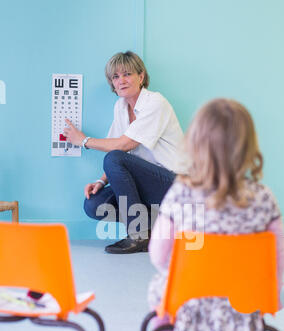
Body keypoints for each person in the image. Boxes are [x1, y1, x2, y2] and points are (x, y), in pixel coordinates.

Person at [147, 98, 284, 331]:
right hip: (244, 305)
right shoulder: (263, 198)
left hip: (188, 301)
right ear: (248, 146)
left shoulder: (182, 193)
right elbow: (277, 259)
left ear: (195, 144)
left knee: (160, 308)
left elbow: (158, 255)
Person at [63, 51, 189, 253]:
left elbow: (123, 146)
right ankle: (153, 225)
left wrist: (83, 141)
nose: (121, 80)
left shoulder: (155, 103)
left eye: (127, 74)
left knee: (115, 157)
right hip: (147, 187)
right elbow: (115, 149)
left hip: (175, 187)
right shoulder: (120, 107)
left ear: (141, 77)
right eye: (115, 76)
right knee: (94, 205)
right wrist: (101, 182)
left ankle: (139, 234)